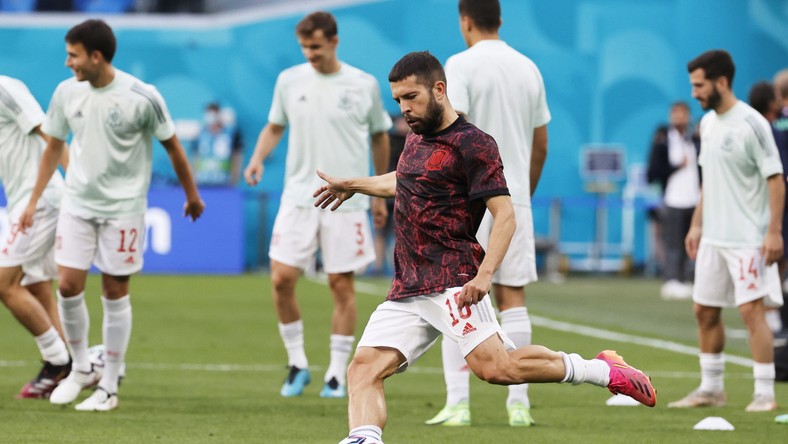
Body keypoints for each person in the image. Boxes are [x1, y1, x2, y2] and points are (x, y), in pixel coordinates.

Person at [313, 51, 656, 444]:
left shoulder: (474, 143)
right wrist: (354, 184)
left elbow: (505, 214)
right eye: (398, 100)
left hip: (453, 280)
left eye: (411, 97)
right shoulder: (415, 137)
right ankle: (364, 439)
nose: (404, 108)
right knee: (363, 368)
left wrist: (484, 274)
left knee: (497, 368)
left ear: (438, 89)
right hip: (409, 285)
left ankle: (602, 370)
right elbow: (405, 180)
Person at [20, 19, 205, 411]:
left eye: (73, 55)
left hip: (123, 209)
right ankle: (81, 368)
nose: (68, 63)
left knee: (114, 291)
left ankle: (108, 386)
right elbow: (53, 146)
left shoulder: (143, 97)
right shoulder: (66, 92)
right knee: (67, 286)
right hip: (77, 204)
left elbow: (173, 146)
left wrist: (191, 195)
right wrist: (33, 200)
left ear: (95, 56)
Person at [243, 11, 391, 399]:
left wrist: (378, 188)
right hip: (298, 197)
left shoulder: (363, 84)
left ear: (334, 42)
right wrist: (257, 158)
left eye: (316, 46)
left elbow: (380, 135)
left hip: (346, 200)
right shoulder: (289, 81)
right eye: (305, 46)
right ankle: (297, 363)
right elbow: (275, 125)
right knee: (281, 279)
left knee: (341, 285)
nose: (310, 53)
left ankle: (337, 374)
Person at [422, 0, 549, 428]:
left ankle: (458, 404)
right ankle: (519, 404)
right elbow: (541, 144)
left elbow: (450, 132)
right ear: (500, 19)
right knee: (514, 296)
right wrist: (519, 197)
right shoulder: (529, 68)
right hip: (513, 199)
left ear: (465, 21)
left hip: (466, 201)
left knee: (453, 295)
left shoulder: (461, 65)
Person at [668, 50, 783, 412]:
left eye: (699, 86)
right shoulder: (707, 125)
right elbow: (710, 180)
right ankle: (711, 389)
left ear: (721, 82)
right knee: (704, 310)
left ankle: (764, 394)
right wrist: (697, 224)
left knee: (751, 312)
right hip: (713, 239)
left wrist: (774, 232)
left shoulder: (752, 124)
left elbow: (776, 180)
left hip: (748, 238)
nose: (694, 93)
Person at [0, 75, 71, 399]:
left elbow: (52, 135)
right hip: (26, 201)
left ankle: (57, 360)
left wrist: (78, 186)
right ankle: (74, 364)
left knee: (4, 284)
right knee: (36, 286)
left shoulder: (5, 89)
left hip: (39, 201)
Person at [646, 102, 701, 300]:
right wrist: (676, 166)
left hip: (694, 199)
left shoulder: (694, 140)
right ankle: (671, 280)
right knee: (673, 243)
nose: (679, 118)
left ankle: (683, 279)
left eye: (683, 114)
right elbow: (653, 172)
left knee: (689, 242)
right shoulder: (663, 141)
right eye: (675, 114)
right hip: (673, 199)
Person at [749, 81, 788, 334]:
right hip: (769, 194)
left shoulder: (775, 123)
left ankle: (772, 307)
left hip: (775, 193)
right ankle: (769, 310)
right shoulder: (764, 125)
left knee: (778, 252)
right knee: (771, 252)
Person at [371, 115, 407, 276]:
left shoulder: (414, 142)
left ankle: (398, 269)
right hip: (386, 191)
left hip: (403, 194)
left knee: (400, 234)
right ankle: (377, 266)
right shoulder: (389, 141)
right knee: (380, 232)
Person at [192, 102, 243, 186]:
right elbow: (195, 156)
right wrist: (193, 176)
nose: (211, 117)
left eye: (213, 114)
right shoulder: (200, 133)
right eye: (208, 114)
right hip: (203, 181)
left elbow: (237, 156)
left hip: (224, 181)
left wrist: (235, 177)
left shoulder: (231, 133)